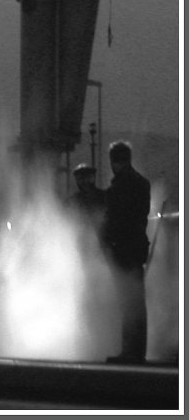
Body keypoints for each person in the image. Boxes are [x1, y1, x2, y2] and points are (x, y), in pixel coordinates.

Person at [101, 140, 151, 364]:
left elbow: (115, 220)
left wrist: (107, 241)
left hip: (123, 248)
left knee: (127, 302)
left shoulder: (120, 186)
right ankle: (137, 351)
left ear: (113, 160)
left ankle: (129, 351)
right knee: (136, 301)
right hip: (137, 247)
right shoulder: (142, 183)